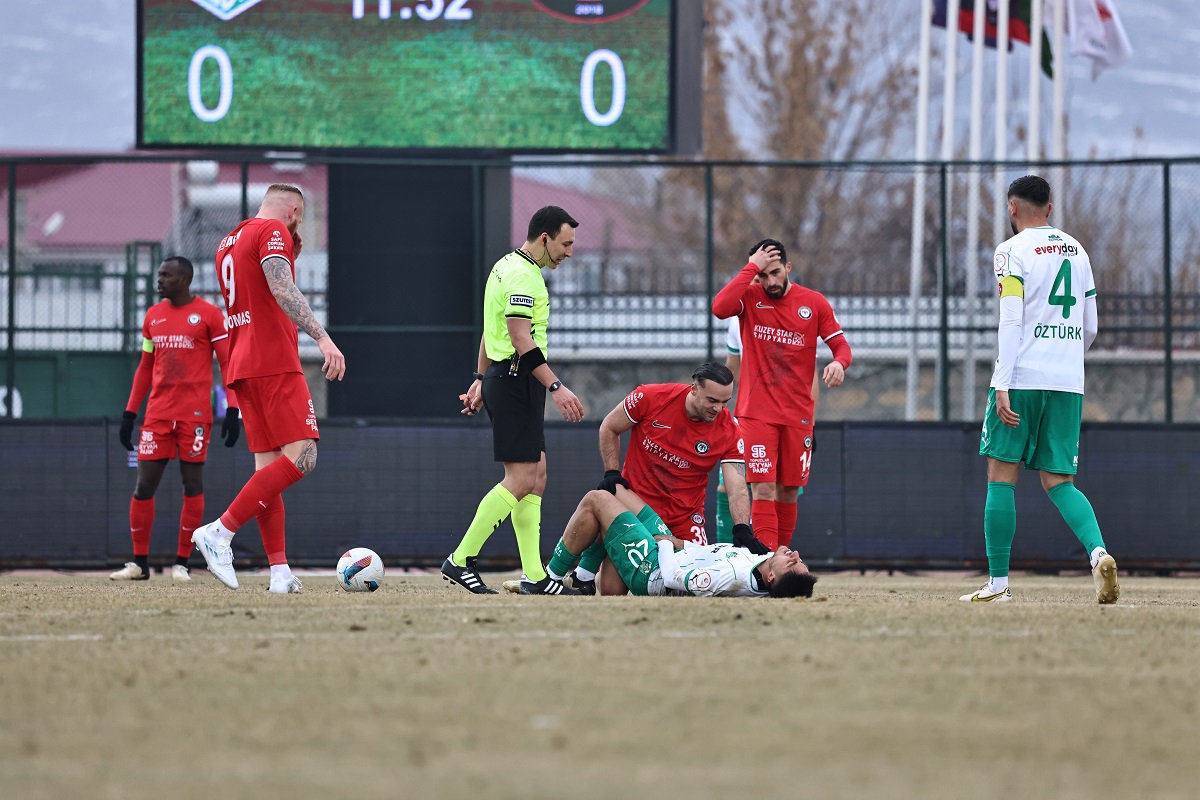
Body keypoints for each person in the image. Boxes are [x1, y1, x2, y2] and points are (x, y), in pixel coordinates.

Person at [962, 175, 1119, 605]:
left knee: (1001, 477)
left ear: (1011, 208)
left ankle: (997, 585)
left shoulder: (1010, 252)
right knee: (1060, 481)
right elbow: (1091, 327)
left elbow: (1011, 319)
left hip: (1022, 376)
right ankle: (1098, 553)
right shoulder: (1078, 251)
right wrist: (1064, 358)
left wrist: (1004, 381)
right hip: (1068, 382)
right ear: (1049, 209)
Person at [190, 184, 346, 594]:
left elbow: (258, 286)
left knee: (268, 469)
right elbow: (280, 288)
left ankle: (279, 572)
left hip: (243, 364)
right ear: (293, 210)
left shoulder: (229, 239)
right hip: (273, 361)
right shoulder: (271, 231)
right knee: (304, 455)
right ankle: (220, 531)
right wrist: (322, 337)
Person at [442, 206, 586, 596]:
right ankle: (461, 558)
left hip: (504, 378)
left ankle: (535, 577)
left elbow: (492, 332)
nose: (569, 252)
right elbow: (520, 338)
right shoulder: (524, 274)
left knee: (536, 476)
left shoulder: (505, 265)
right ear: (545, 237)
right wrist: (557, 387)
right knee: (521, 478)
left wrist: (477, 378)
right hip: (514, 380)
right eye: (566, 243)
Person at [550, 362, 753, 594]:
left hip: (684, 518)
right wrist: (612, 473)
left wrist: (742, 528)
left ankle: (584, 572)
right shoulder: (651, 397)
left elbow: (737, 487)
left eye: (724, 402)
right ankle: (568, 575)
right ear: (694, 389)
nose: (718, 409)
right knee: (610, 591)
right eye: (712, 401)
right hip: (636, 507)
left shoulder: (729, 429)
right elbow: (609, 427)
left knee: (695, 589)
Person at [712, 239, 851, 552]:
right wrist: (751, 269)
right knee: (763, 487)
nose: (770, 281)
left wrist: (839, 364)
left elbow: (841, 346)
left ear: (788, 267)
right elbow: (719, 307)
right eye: (763, 275)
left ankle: (781, 559)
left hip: (797, 414)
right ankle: (764, 563)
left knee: (789, 491)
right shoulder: (748, 298)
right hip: (756, 412)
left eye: (775, 272)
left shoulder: (813, 303)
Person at [110, 256, 240, 583]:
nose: (160, 280)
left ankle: (182, 564)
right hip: (156, 415)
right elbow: (144, 366)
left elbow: (227, 364)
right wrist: (129, 413)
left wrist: (233, 409)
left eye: (166, 275)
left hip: (195, 415)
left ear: (184, 279)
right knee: (144, 486)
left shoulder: (210, 315)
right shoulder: (153, 316)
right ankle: (140, 564)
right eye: (159, 275)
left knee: (192, 484)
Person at [544, 486, 816, 598]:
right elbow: (712, 553)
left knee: (597, 499)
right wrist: (678, 541)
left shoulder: (728, 578)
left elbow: (674, 578)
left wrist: (664, 544)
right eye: (799, 560)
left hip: (654, 570)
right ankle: (582, 578)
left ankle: (550, 577)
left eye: (791, 564)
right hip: (673, 549)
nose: (795, 555)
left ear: (770, 578)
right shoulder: (762, 560)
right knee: (614, 490)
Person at [713, 317, 821, 543]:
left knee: (787, 490)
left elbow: (808, 374)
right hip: (753, 417)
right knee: (730, 484)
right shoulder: (738, 317)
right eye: (755, 278)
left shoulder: (796, 314)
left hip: (790, 420)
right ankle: (729, 555)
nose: (759, 282)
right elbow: (733, 368)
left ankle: (778, 562)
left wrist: (809, 424)